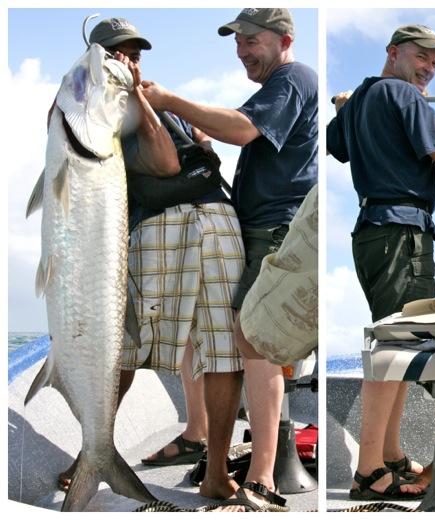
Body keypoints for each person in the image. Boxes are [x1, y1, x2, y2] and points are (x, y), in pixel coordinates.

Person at [57, 17, 245, 502]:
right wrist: (135, 92)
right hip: (160, 221)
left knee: (225, 348)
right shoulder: (95, 105)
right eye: (119, 54)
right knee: (124, 347)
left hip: (218, 217)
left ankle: (217, 472)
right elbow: (163, 162)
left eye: (136, 54)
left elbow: (202, 150)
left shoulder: (158, 101)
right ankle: (92, 452)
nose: (130, 62)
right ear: (97, 59)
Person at [140, 8, 318, 511]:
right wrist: (199, 137)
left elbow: (241, 130)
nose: (241, 50)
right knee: (208, 326)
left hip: (276, 226)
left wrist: (171, 101)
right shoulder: (277, 85)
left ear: (285, 39)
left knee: (254, 337)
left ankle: (263, 475)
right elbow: (242, 135)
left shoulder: (293, 78)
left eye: (251, 40)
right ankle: (197, 432)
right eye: (236, 42)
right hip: (252, 224)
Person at [326, 24, 435, 500]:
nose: (430, 68)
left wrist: (346, 106)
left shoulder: (363, 96)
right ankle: (369, 473)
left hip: (374, 233)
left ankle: (391, 456)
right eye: (422, 56)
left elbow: (338, 146)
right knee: (394, 348)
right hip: (401, 235)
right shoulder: (402, 94)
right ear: (393, 52)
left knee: (400, 345)